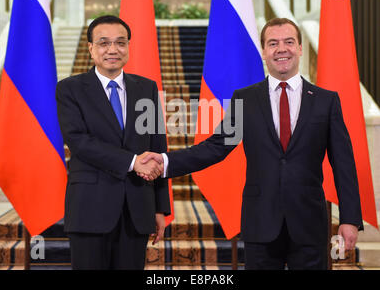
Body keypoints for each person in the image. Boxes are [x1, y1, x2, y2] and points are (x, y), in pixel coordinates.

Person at [140, 18, 363, 270]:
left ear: (300, 48)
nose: (281, 49)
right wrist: (166, 161)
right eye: (273, 43)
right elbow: (216, 147)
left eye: (289, 42)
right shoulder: (245, 99)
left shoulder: (326, 101)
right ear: (264, 51)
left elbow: (344, 164)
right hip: (261, 223)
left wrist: (350, 218)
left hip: (309, 223)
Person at [56, 15, 170, 270]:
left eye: (120, 42)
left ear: (128, 46)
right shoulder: (70, 89)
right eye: (104, 43)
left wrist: (161, 207)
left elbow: (157, 147)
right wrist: (132, 162)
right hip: (89, 206)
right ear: (91, 48)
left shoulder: (146, 89)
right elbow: (78, 141)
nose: (112, 50)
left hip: (137, 207)